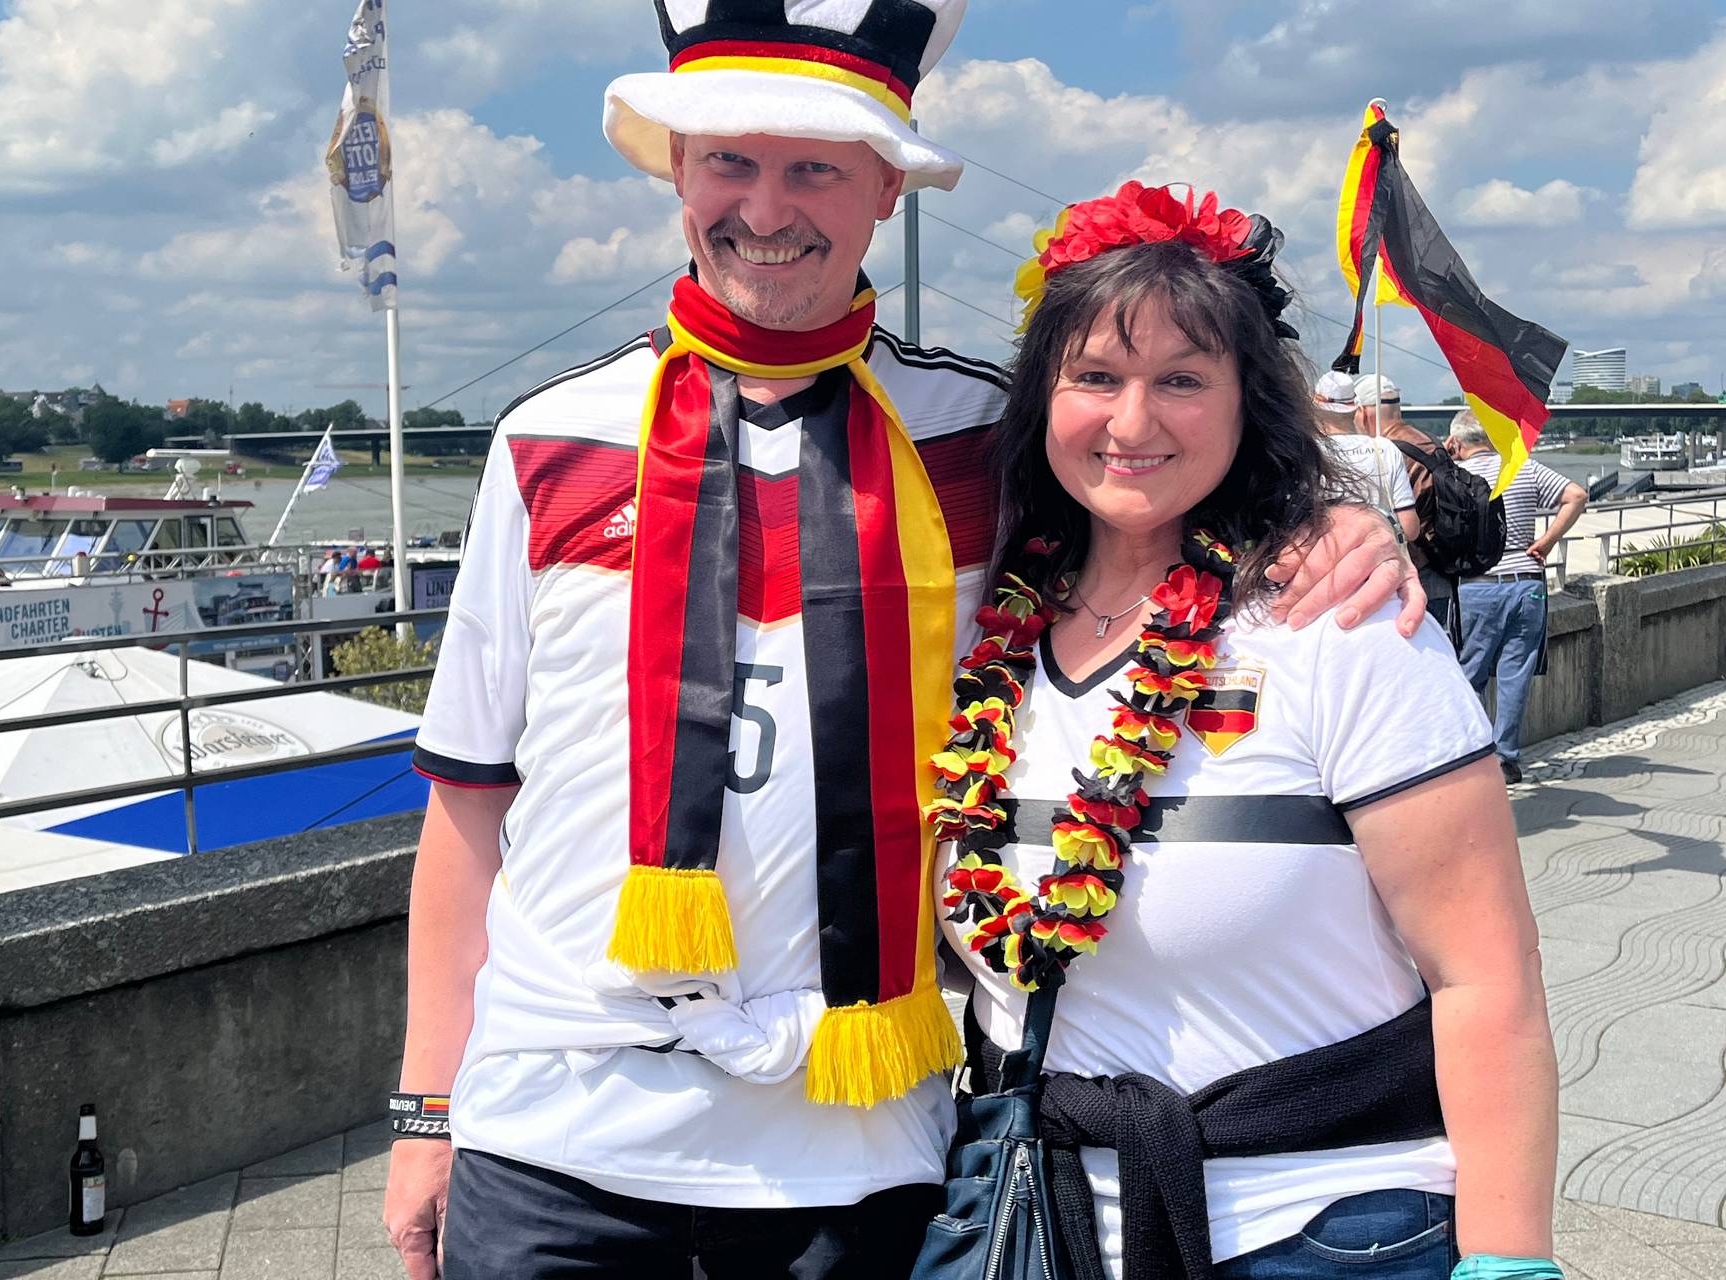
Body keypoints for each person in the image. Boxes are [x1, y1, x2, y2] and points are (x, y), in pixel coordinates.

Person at [383, 7, 1419, 1276]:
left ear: (886, 186)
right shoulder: (545, 440)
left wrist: (1325, 521)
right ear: (677, 171)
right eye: (729, 161)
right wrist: (424, 1108)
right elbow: (470, 800)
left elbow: (1156, 489)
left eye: (815, 167)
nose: (766, 207)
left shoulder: (982, 435)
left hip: (856, 1142)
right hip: (553, 1139)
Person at [934, 182, 1558, 1280]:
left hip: (1324, 1230)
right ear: (1040, 399)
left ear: (1246, 403)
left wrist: (1509, 1261)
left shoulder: (1342, 624)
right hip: (1040, 1225)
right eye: (1094, 377)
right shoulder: (985, 626)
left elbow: (1485, 976)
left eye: (1181, 380)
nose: (1132, 423)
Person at [1449, 416, 1584, 785]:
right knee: (1515, 675)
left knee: (1468, 675)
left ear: (1456, 442)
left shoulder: (1455, 475)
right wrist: (1547, 542)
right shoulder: (1522, 467)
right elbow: (1576, 495)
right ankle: (1505, 759)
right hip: (1526, 584)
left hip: (1477, 584)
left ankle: (1469, 756)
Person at [1351, 372, 1464, 636]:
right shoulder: (1432, 444)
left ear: (1363, 412)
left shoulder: (1385, 453)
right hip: (1440, 569)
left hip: (1404, 577)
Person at [1312, 371, 1420, 543]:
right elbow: (1409, 529)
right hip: (1380, 554)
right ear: (1356, 408)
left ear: (1315, 410)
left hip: (1327, 555)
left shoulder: (1310, 452)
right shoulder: (1385, 449)